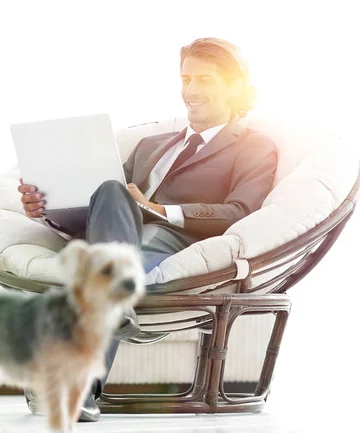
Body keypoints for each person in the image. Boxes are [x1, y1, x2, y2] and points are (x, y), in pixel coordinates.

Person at [17, 37, 278, 421]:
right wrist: (46, 210)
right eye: (185, 79)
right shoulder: (150, 145)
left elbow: (242, 210)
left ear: (234, 86)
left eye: (203, 80)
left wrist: (160, 210)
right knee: (108, 190)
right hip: (113, 238)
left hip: (169, 241)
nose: (190, 91)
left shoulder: (253, 148)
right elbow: (104, 206)